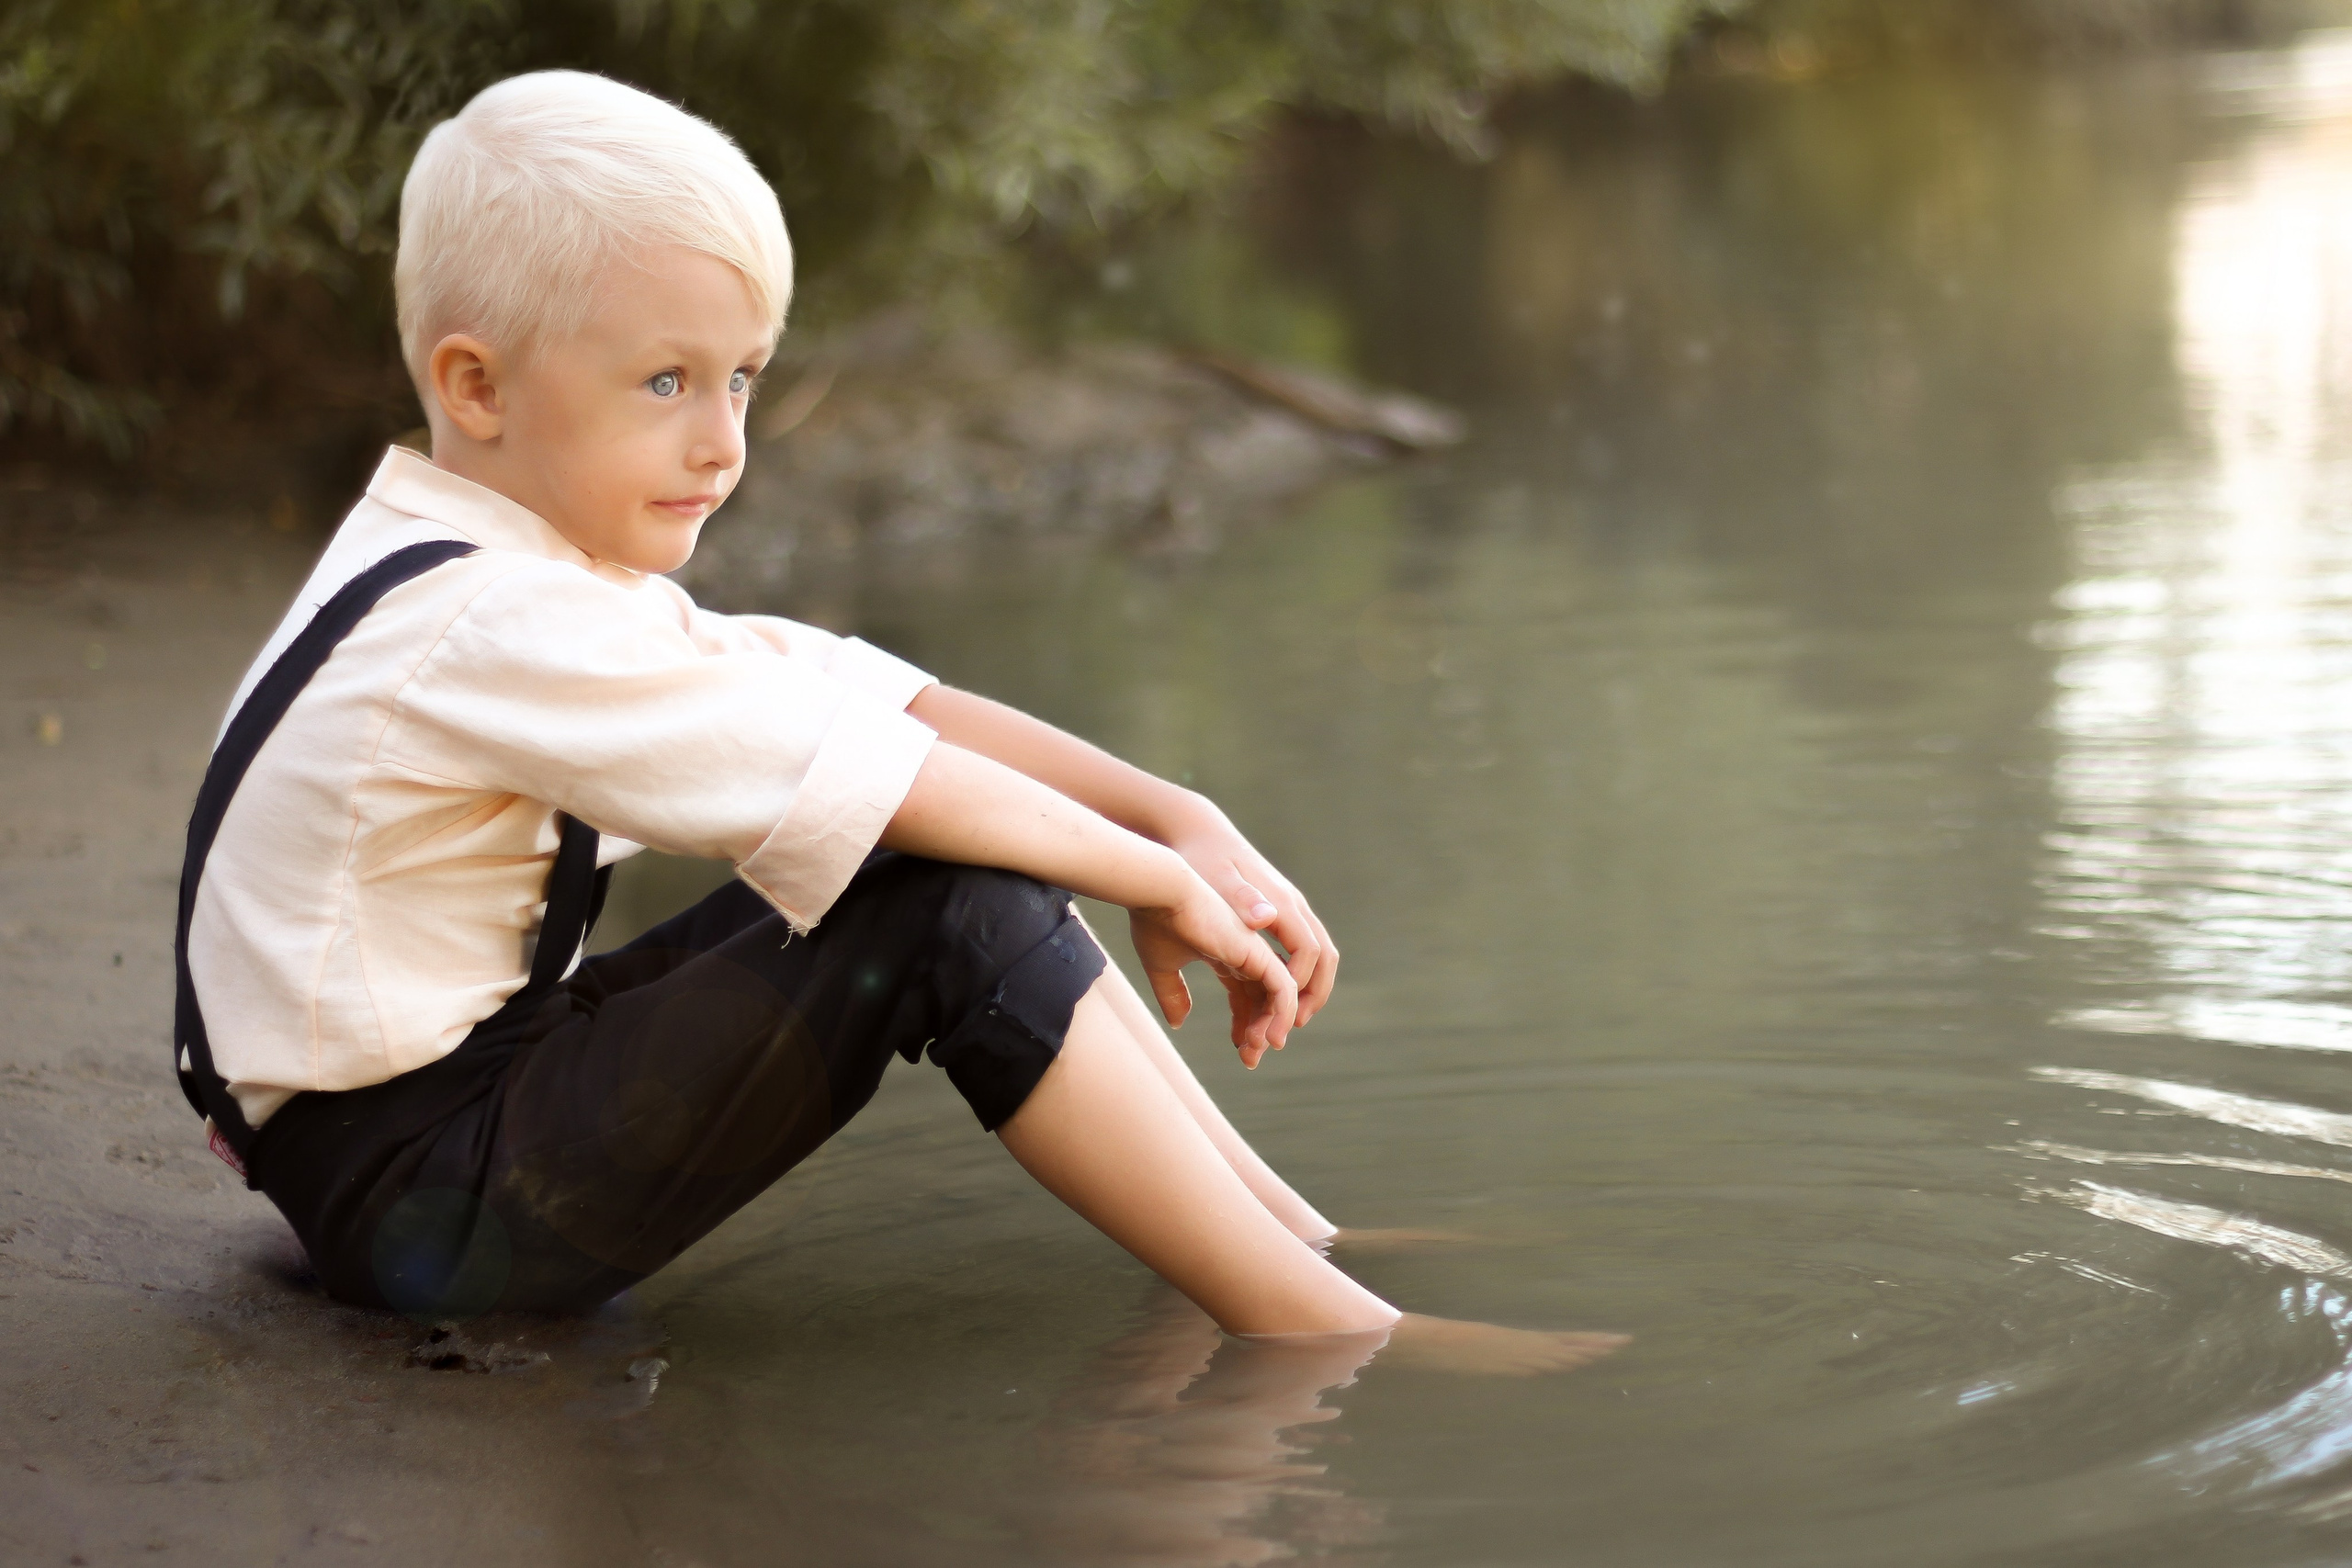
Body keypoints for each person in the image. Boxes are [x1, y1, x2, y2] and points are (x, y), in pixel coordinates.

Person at [175, 69, 1623, 1376]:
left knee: (936, 846)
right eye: (666, 381)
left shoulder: (504, 571)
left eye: (742, 378)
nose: (724, 438)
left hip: (414, 1141)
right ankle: (1324, 1337)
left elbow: (873, 700)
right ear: (474, 386)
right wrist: (1162, 882)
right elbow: (894, 777)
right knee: (938, 895)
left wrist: (1173, 819)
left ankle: (1297, 1246)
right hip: (420, 1211)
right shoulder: (497, 623)